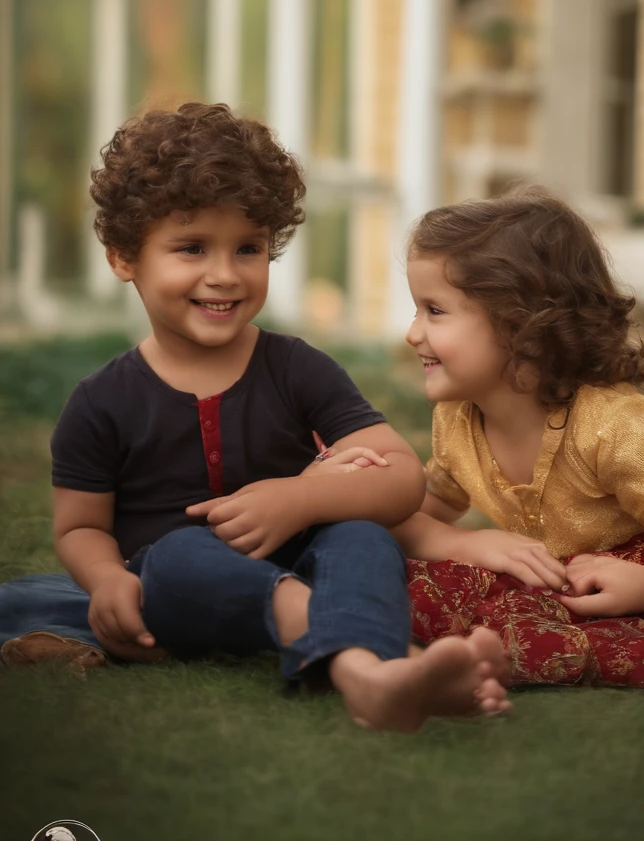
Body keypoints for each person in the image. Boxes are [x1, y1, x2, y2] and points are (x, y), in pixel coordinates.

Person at [0, 102, 510, 731]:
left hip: (302, 563)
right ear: (123, 256)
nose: (224, 275)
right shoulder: (100, 401)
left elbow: (404, 478)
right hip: (176, 592)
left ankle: (376, 679)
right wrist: (106, 582)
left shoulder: (297, 367)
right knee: (181, 552)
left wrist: (300, 499)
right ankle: (379, 657)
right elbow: (80, 528)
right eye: (191, 248)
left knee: (362, 537)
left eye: (248, 248)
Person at [393, 187, 644, 618]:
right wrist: (452, 534)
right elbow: (420, 508)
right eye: (416, 310)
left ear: (521, 327)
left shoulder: (608, 426)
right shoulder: (457, 420)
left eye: (434, 310)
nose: (412, 333)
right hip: (581, 576)